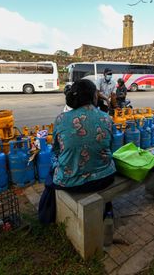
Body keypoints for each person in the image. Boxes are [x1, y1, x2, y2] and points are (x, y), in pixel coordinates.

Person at [38, 79, 116, 224]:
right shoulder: (107, 118)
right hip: (105, 178)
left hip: (70, 182)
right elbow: (110, 148)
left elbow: (56, 150)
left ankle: (49, 214)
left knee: (52, 168)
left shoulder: (61, 119)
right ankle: (107, 211)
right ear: (94, 97)